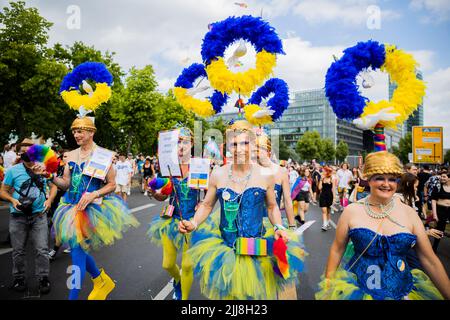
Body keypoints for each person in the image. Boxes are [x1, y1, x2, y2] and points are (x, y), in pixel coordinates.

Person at [179, 120, 306, 300]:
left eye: (245, 143)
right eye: (234, 144)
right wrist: (193, 222)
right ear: (228, 146)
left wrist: (278, 226)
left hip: (256, 248)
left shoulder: (265, 175)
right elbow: (207, 205)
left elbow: (272, 207)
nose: (239, 149)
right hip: (226, 250)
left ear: (253, 144)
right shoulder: (218, 174)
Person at [316, 151, 450, 300]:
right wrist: (328, 287)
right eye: (380, 178)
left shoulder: (409, 213)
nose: (386, 184)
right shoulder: (351, 211)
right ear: (369, 179)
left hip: (402, 292)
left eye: (392, 179)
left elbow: (429, 260)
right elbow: (337, 249)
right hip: (358, 291)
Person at [42, 116, 139, 300]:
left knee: (77, 253)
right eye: (74, 131)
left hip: (90, 211)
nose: (76, 134)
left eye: (80, 131)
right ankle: (100, 279)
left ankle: (73, 296)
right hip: (69, 208)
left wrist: (94, 194)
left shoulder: (104, 155)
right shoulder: (69, 155)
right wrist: (50, 177)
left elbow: (112, 185)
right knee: (78, 250)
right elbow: (65, 184)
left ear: (91, 132)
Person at [147, 127, 200, 300]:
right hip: (170, 220)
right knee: (167, 264)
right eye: (178, 142)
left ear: (191, 144)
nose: (182, 145)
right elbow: (164, 195)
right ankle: (177, 280)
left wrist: (202, 205)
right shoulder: (169, 167)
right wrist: (154, 193)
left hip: (191, 222)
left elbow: (209, 196)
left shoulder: (199, 166)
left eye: (185, 141)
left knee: (187, 265)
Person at [0, 144, 52, 294]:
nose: (27, 154)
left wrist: (49, 201)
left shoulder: (44, 168)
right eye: (23, 152)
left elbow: (54, 186)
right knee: (18, 250)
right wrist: (12, 200)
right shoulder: (12, 171)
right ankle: (19, 278)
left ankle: (43, 278)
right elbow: (3, 191)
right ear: (20, 154)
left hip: (39, 215)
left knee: (42, 249)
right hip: (18, 216)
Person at [431, 170, 450, 253]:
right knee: (440, 229)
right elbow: (433, 200)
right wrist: (435, 214)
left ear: (449, 178)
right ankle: (434, 247)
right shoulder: (438, 186)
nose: (442, 178)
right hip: (441, 210)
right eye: (441, 176)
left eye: (444, 177)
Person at [319, 166, 336, 231]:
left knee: (328, 211)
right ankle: (324, 224)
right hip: (323, 195)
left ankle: (327, 223)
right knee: (324, 211)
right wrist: (321, 179)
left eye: (325, 171)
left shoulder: (332, 179)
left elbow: (333, 188)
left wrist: (334, 198)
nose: (324, 172)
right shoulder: (322, 179)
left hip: (329, 196)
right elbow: (319, 188)